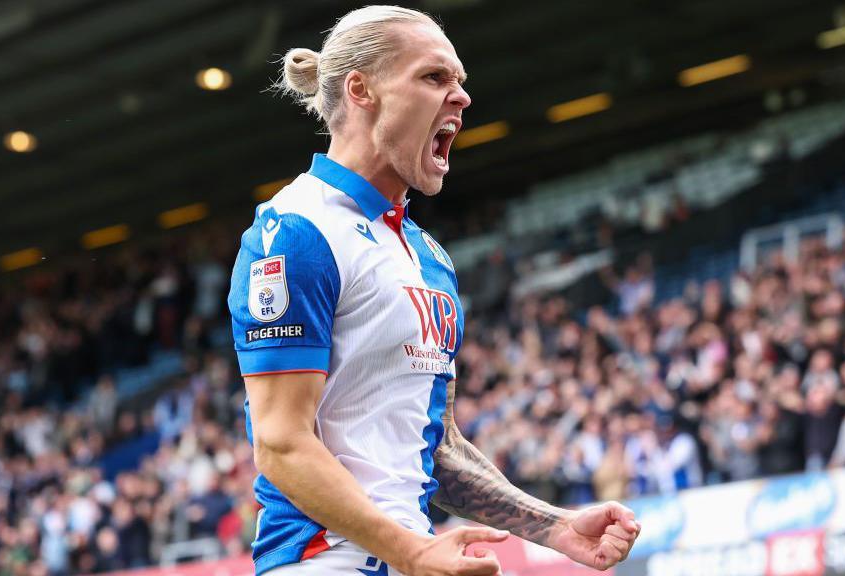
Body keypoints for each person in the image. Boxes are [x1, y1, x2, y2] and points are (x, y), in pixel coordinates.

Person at [227, 6, 640, 576]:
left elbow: (435, 448)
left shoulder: (429, 258)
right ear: (361, 89)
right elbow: (280, 444)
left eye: (461, 82)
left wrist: (555, 526)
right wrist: (412, 551)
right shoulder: (295, 231)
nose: (462, 98)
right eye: (434, 77)